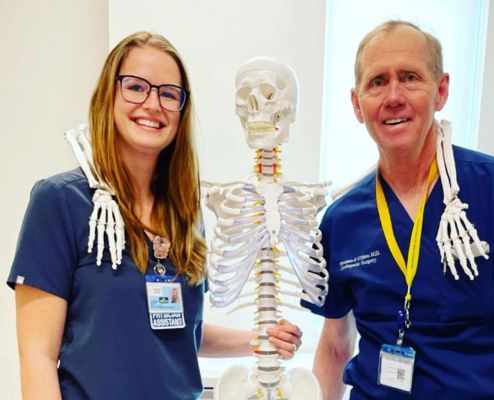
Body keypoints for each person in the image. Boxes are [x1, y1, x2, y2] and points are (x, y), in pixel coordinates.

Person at [7, 31, 301, 400]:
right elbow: (37, 358)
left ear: (182, 109)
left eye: (168, 93)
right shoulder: (62, 202)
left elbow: (177, 330)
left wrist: (260, 340)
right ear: (108, 96)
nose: (152, 103)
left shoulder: (186, 212)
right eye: (136, 87)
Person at [303, 20, 494, 399]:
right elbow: (334, 347)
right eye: (377, 82)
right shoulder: (340, 219)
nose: (393, 96)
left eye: (410, 77)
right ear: (357, 104)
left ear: (440, 90)